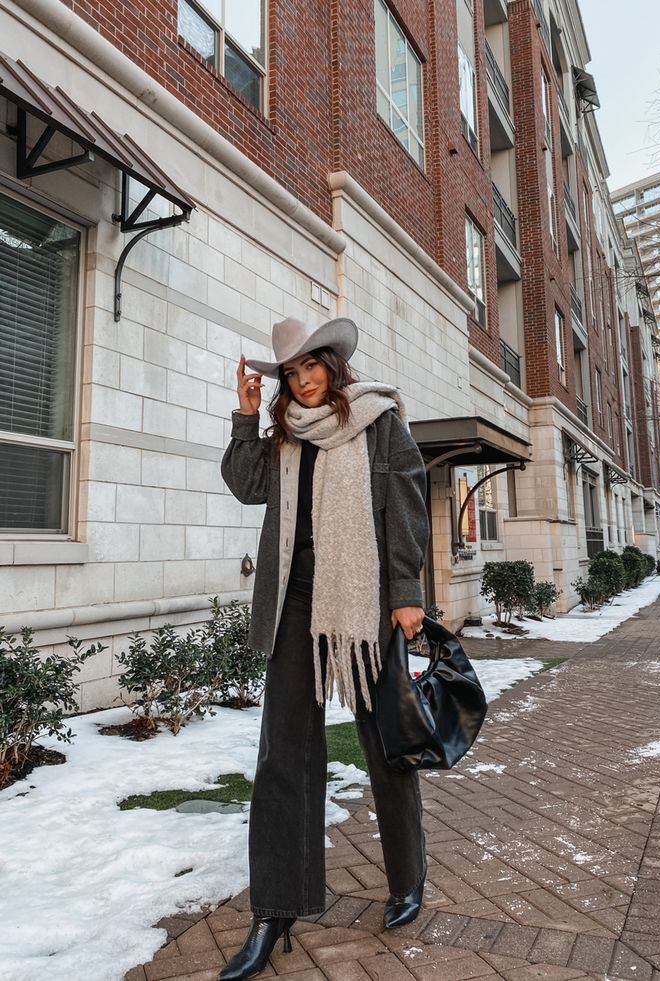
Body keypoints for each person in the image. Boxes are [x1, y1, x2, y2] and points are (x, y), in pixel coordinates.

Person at [219, 316, 430, 981]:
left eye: (312, 366)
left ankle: (406, 877)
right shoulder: (284, 434)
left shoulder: (377, 421)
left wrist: (406, 590)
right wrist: (245, 418)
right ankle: (275, 910)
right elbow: (246, 483)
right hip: (294, 604)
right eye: (291, 372)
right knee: (282, 752)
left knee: (384, 742)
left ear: (333, 368)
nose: (303, 379)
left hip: (362, 601)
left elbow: (406, 500)